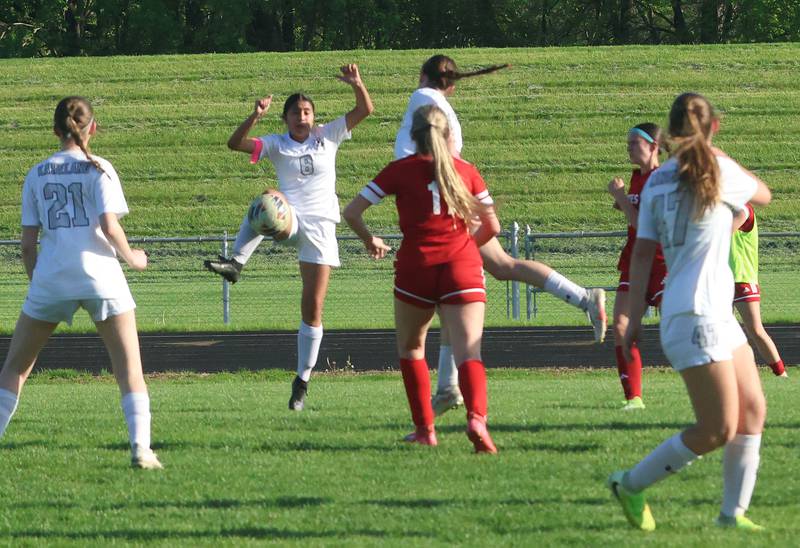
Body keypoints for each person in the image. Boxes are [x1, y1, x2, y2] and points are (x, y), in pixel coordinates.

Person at [395, 54, 607, 416]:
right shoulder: (441, 105)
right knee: (501, 265)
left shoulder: (422, 101)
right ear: (453, 84)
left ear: (423, 76)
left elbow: (422, 159)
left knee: (452, 292)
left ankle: (447, 388)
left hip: (441, 208)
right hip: (452, 200)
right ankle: (584, 297)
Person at [608, 92, 772, 532]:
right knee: (718, 428)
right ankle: (629, 483)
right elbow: (765, 194)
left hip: (703, 311)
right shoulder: (721, 170)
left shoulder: (657, 181)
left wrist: (635, 320)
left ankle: (731, 516)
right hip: (697, 316)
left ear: (672, 132)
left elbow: (642, 256)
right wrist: (720, 153)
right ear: (714, 127)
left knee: (753, 410)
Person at [0, 96, 162, 469]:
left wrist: (37, 283)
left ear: (56, 130)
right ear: (93, 127)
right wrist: (134, 258)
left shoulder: (36, 173)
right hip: (101, 276)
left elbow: (27, 245)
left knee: (15, 369)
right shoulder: (100, 168)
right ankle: (141, 449)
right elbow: (109, 225)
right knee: (128, 369)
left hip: (52, 277)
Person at [204, 64, 374, 411]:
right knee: (266, 198)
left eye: (307, 111)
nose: (302, 116)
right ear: (285, 118)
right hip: (290, 221)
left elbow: (364, 111)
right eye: (295, 112)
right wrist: (254, 115)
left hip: (321, 228)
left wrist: (357, 84)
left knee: (312, 309)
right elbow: (234, 143)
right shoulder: (277, 144)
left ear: (314, 116)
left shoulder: (328, 135)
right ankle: (236, 263)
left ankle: (302, 381)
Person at [344, 104, 501, 453]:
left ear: (412, 137)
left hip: (416, 267)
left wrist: (371, 240)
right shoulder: (466, 170)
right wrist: (465, 247)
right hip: (462, 267)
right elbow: (493, 226)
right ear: (448, 135)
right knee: (468, 352)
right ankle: (477, 418)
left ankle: (425, 429)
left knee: (413, 349)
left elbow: (351, 212)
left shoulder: (400, 170)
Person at [607, 123, 668, 411]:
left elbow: (643, 223)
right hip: (634, 260)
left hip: (662, 261)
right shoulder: (635, 178)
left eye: (634, 143)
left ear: (653, 147)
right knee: (620, 326)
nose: (629, 147)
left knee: (681, 326)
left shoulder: (663, 178)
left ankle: (721, 377)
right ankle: (634, 397)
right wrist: (624, 200)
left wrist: (619, 197)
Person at [730, 203, 787, 377]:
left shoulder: (742, 209)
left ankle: (781, 373)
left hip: (742, 278)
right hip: (721, 279)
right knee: (723, 332)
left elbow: (720, 234)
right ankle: (736, 373)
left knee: (755, 329)